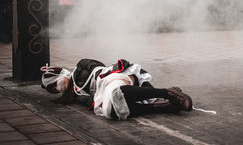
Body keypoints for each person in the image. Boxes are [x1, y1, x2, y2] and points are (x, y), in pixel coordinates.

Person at [41, 59, 193, 120]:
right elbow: (91, 103)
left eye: (55, 84)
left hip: (112, 77)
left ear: (60, 73)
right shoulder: (76, 95)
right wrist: (97, 102)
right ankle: (162, 107)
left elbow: (97, 66)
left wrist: (98, 81)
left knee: (114, 91)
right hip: (104, 91)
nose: (57, 88)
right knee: (109, 111)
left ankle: (167, 93)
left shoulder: (81, 66)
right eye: (55, 90)